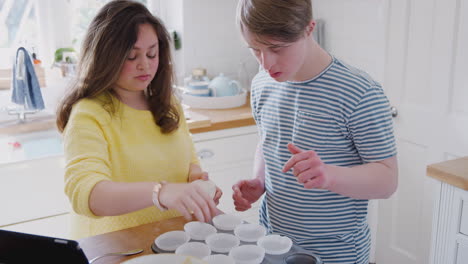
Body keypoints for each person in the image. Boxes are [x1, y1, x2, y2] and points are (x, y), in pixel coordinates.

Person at [232, 0, 398, 263]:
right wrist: (259, 181)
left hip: (336, 253)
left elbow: (387, 181)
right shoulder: (263, 83)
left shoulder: (359, 92)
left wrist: (329, 175)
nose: (266, 63)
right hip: (273, 244)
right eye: (255, 50)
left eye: (276, 48)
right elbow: (268, 141)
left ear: (309, 28)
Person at [56, 0, 221, 239]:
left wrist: (196, 184)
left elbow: (190, 164)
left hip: (169, 239)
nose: (145, 65)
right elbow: (86, 194)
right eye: (132, 56)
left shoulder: (168, 104)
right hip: (115, 247)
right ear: (107, 58)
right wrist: (161, 192)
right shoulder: (89, 114)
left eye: (152, 53)